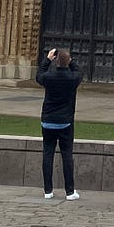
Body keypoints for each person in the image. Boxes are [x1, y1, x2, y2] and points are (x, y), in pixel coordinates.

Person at [36, 46, 82, 201]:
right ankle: (70, 191)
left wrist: (47, 60)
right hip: (65, 122)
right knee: (67, 155)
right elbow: (79, 72)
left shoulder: (49, 77)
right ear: (68, 62)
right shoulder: (72, 79)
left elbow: (39, 75)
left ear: (55, 62)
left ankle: (47, 190)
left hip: (48, 120)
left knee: (47, 154)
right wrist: (70, 61)